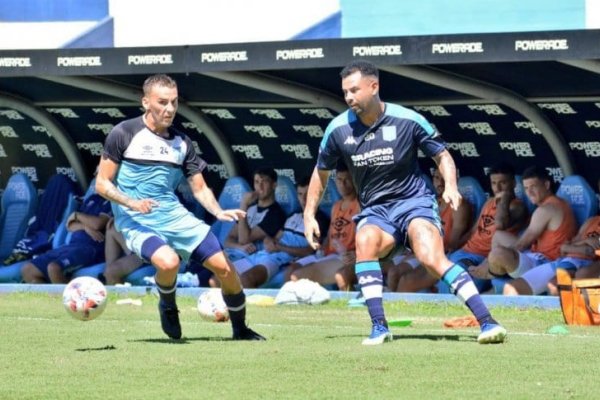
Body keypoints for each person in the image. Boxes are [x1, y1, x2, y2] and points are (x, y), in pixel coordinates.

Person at [303, 60, 507, 345]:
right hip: (376, 210)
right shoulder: (338, 129)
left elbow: (442, 156)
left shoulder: (407, 120)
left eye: (354, 90)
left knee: (430, 258)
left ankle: (488, 322)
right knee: (365, 241)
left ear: (374, 87)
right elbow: (321, 172)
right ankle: (379, 327)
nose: (348, 97)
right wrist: (309, 214)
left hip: (414, 204)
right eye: (345, 92)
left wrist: (450, 185)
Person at [95, 74, 264, 340]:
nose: (170, 109)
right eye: (162, 102)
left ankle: (240, 330)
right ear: (145, 102)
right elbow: (102, 184)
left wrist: (218, 211)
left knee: (226, 269)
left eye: (174, 102)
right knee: (168, 262)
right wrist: (131, 203)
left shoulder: (182, 143)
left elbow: (199, 187)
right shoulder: (124, 133)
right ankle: (168, 304)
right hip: (135, 219)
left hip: (174, 217)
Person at [213, 175, 329, 288]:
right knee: (216, 279)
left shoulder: (320, 219)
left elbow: (309, 251)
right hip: (263, 253)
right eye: (300, 194)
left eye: (307, 194)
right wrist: (269, 241)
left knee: (246, 279)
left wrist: (280, 247)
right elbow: (276, 238)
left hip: (282, 258)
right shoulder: (293, 215)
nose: (303, 199)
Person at [469, 166, 577, 282]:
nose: (529, 192)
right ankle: (496, 270)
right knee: (498, 235)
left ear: (546, 185)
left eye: (533, 187)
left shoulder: (546, 209)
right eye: (526, 188)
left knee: (498, 254)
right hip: (537, 253)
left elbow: (521, 245)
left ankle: (492, 272)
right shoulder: (558, 202)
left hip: (545, 262)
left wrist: (487, 263)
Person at [386, 168, 473, 292]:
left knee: (403, 279)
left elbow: (452, 244)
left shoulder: (458, 205)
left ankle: (395, 307)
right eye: (437, 178)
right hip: (422, 250)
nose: (440, 182)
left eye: (444, 178)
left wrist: (423, 251)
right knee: (389, 271)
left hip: (439, 253)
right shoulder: (431, 202)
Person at [285, 163, 360, 291]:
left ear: (354, 179)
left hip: (348, 257)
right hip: (331, 254)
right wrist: (322, 249)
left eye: (347, 179)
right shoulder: (336, 206)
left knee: (341, 277)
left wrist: (358, 253)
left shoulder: (360, 205)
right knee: (293, 275)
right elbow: (331, 235)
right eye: (339, 179)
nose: (343, 183)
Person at [21, 193, 111, 284]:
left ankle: (67, 297)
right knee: (28, 269)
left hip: (91, 248)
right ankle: (49, 298)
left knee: (54, 268)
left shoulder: (112, 202)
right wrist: (85, 227)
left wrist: (77, 215)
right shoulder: (93, 198)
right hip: (72, 246)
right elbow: (70, 225)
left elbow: (97, 224)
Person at [503, 214, 600, 295]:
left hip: (587, 265)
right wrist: (585, 242)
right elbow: (564, 248)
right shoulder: (592, 221)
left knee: (555, 285)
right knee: (511, 289)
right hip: (566, 261)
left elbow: (589, 252)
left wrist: (580, 247)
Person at [222, 167, 287, 262]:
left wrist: (243, 204)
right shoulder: (250, 209)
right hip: (236, 255)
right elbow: (228, 240)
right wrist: (240, 247)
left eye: (264, 182)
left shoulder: (276, 214)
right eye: (256, 182)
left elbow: (244, 240)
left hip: (254, 260)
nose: (260, 187)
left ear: (274, 185)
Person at [100, 217, 144, 285]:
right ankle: (109, 279)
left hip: (150, 249)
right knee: (112, 227)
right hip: (136, 243)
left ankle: (110, 277)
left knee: (111, 271)